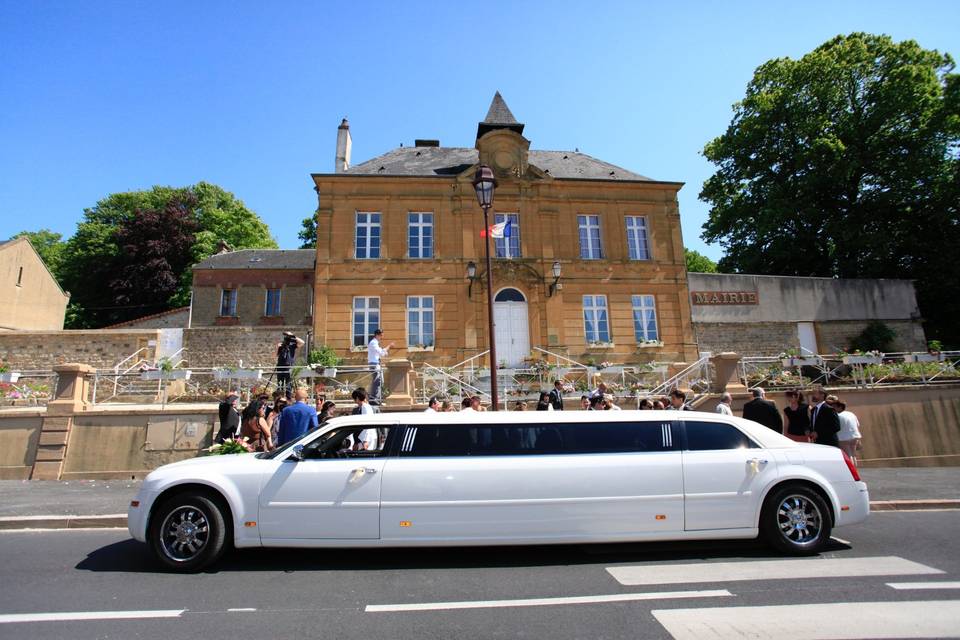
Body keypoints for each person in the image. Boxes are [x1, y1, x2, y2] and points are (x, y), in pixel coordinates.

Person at [367, 329, 394, 405]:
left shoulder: (375, 343)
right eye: (381, 335)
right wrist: (389, 346)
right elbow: (382, 353)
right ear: (377, 335)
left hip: (376, 364)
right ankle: (374, 399)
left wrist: (385, 351)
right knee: (377, 382)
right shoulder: (373, 343)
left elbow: (381, 353)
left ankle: (376, 398)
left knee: (380, 381)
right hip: (374, 364)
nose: (382, 337)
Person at [275, 332, 304, 399]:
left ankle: (288, 399)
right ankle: (280, 399)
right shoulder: (281, 345)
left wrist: (293, 336)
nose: (287, 338)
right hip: (280, 366)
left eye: (288, 336)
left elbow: (302, 342)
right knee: (280, 384)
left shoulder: (292, 345)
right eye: (286, 336)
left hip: (288, 366)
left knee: (288, 384)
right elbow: (276, 355)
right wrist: (277, 347)